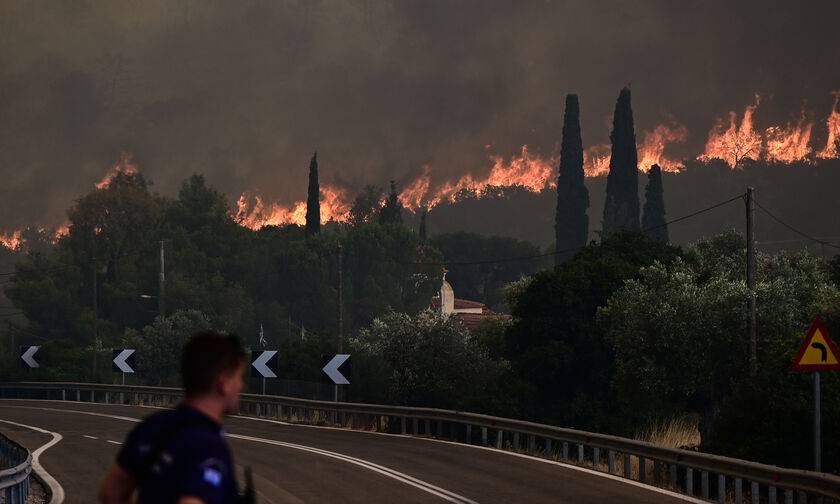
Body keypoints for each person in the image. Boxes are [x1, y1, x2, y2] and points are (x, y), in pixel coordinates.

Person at [99, 331, 253, 504]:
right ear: (223, 382)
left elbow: (112, 493)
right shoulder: (209, 446)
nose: (241, 385)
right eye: (239, 377)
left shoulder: (153, 425)